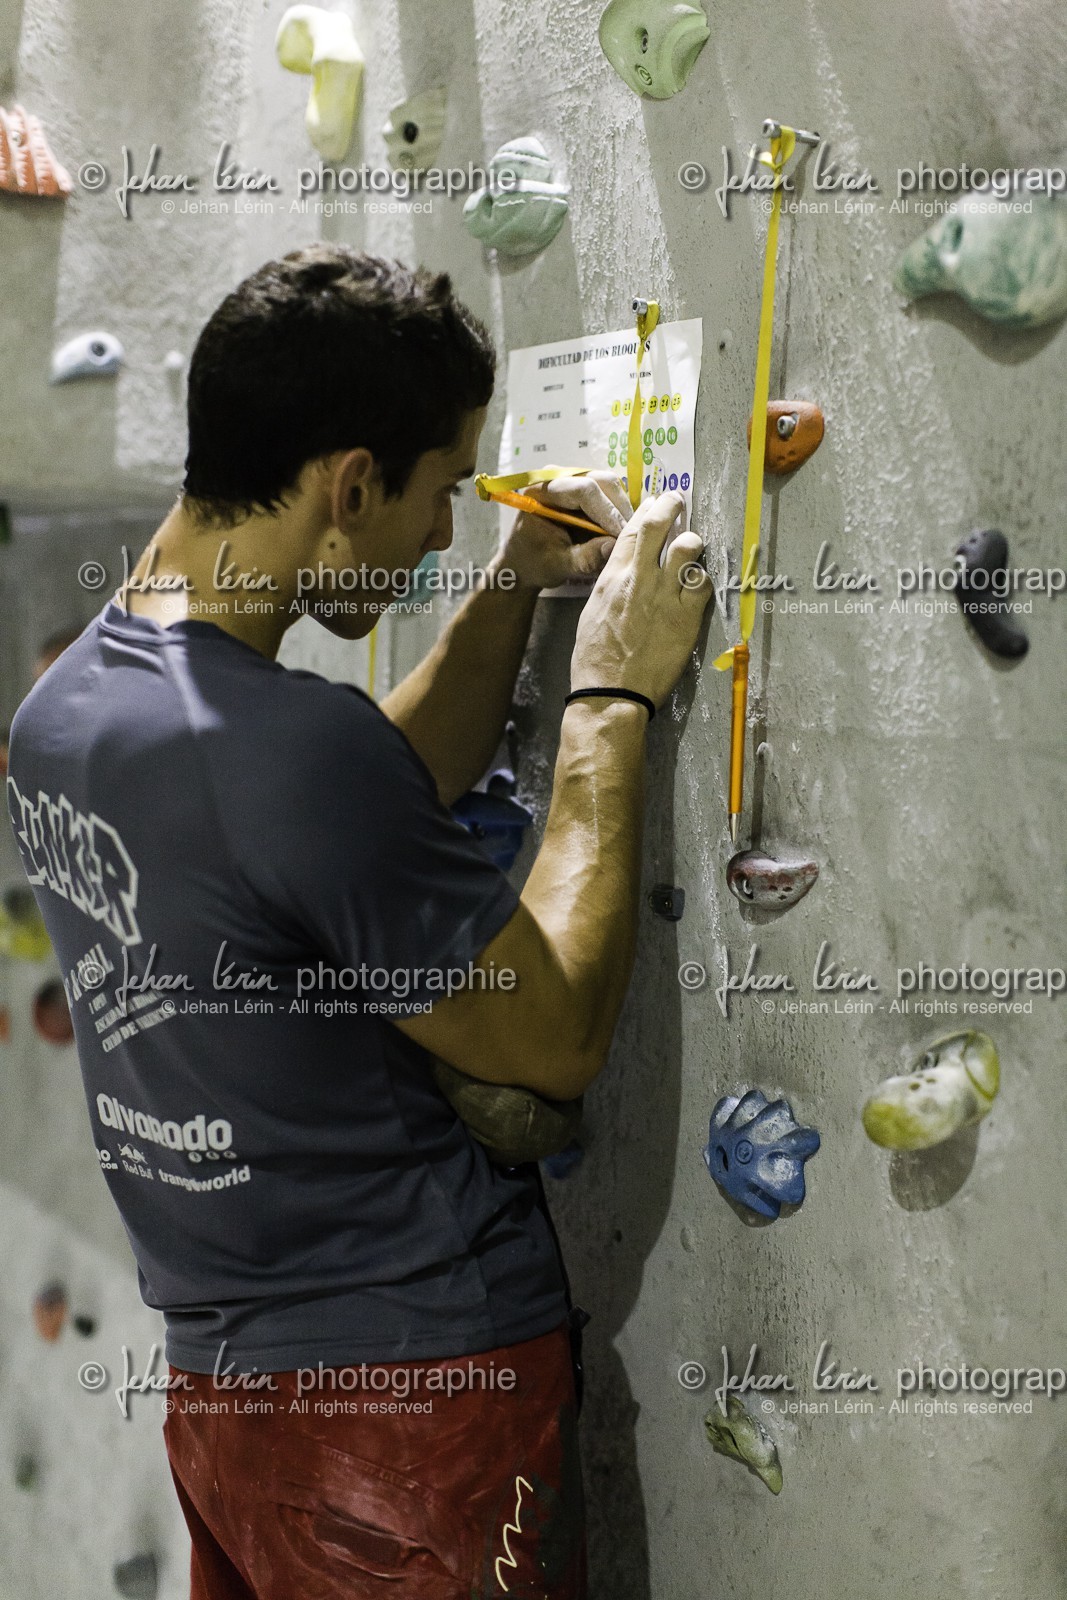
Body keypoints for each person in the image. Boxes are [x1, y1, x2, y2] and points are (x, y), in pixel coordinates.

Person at [7, 245, 710, 1599]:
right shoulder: (292, 753)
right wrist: (609, 695)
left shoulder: (77, 706)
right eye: (443, 491)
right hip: (408, 1423)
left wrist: (512, 587)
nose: (442, 535)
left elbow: (316, 834)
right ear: (349, 481)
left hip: (233, 1421)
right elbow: (551, 1035)